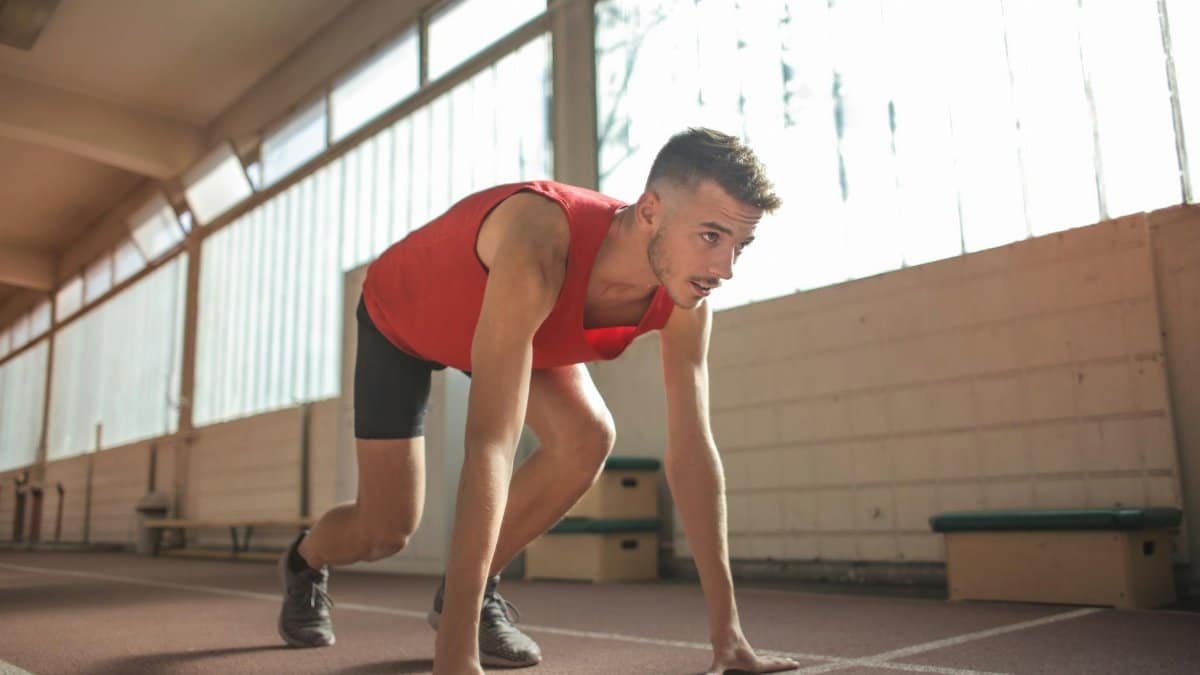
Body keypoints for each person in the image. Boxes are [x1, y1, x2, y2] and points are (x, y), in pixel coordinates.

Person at [277, 127, 800, 675]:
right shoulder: (541, 243)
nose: (725, 269)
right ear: (649, 211)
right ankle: (305, 560)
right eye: (711, 237)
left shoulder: (687, 297)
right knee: (385, 529)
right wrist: (454, 659)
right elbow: (491, 445)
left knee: (586, 438)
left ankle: (470, 594)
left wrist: (728, 636)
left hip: (514, 327)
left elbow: (694, 452)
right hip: (404, 321)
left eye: (740, 245)